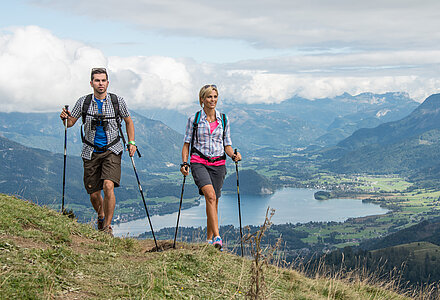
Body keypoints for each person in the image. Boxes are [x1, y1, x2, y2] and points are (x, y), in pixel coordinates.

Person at [59, 68, 137, 236]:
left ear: (107, 83)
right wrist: (65, 118)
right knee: (94, 194)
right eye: (97, 80)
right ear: (91, 83)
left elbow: (129, 122)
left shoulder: (117, 101)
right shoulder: (83, 102)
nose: (100, 83)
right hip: (90, 151)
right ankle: (100, 214)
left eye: (103, 80)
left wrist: (131, 142)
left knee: (108, 186)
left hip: (112, 149)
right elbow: (70, 123)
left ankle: (106, 228)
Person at [180, 84, 241, 251]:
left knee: (213, 202)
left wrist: (233, 155)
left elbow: (227, 144)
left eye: (214, 97)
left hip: (219, 164)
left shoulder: (224, 119)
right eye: (209, 97)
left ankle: (207, 240)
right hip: (199, 161)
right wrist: (185, 163)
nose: (212, 100)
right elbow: (186, 144)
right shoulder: (194, 119)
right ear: (202, 99)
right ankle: (217, 237)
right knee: (211, 196)